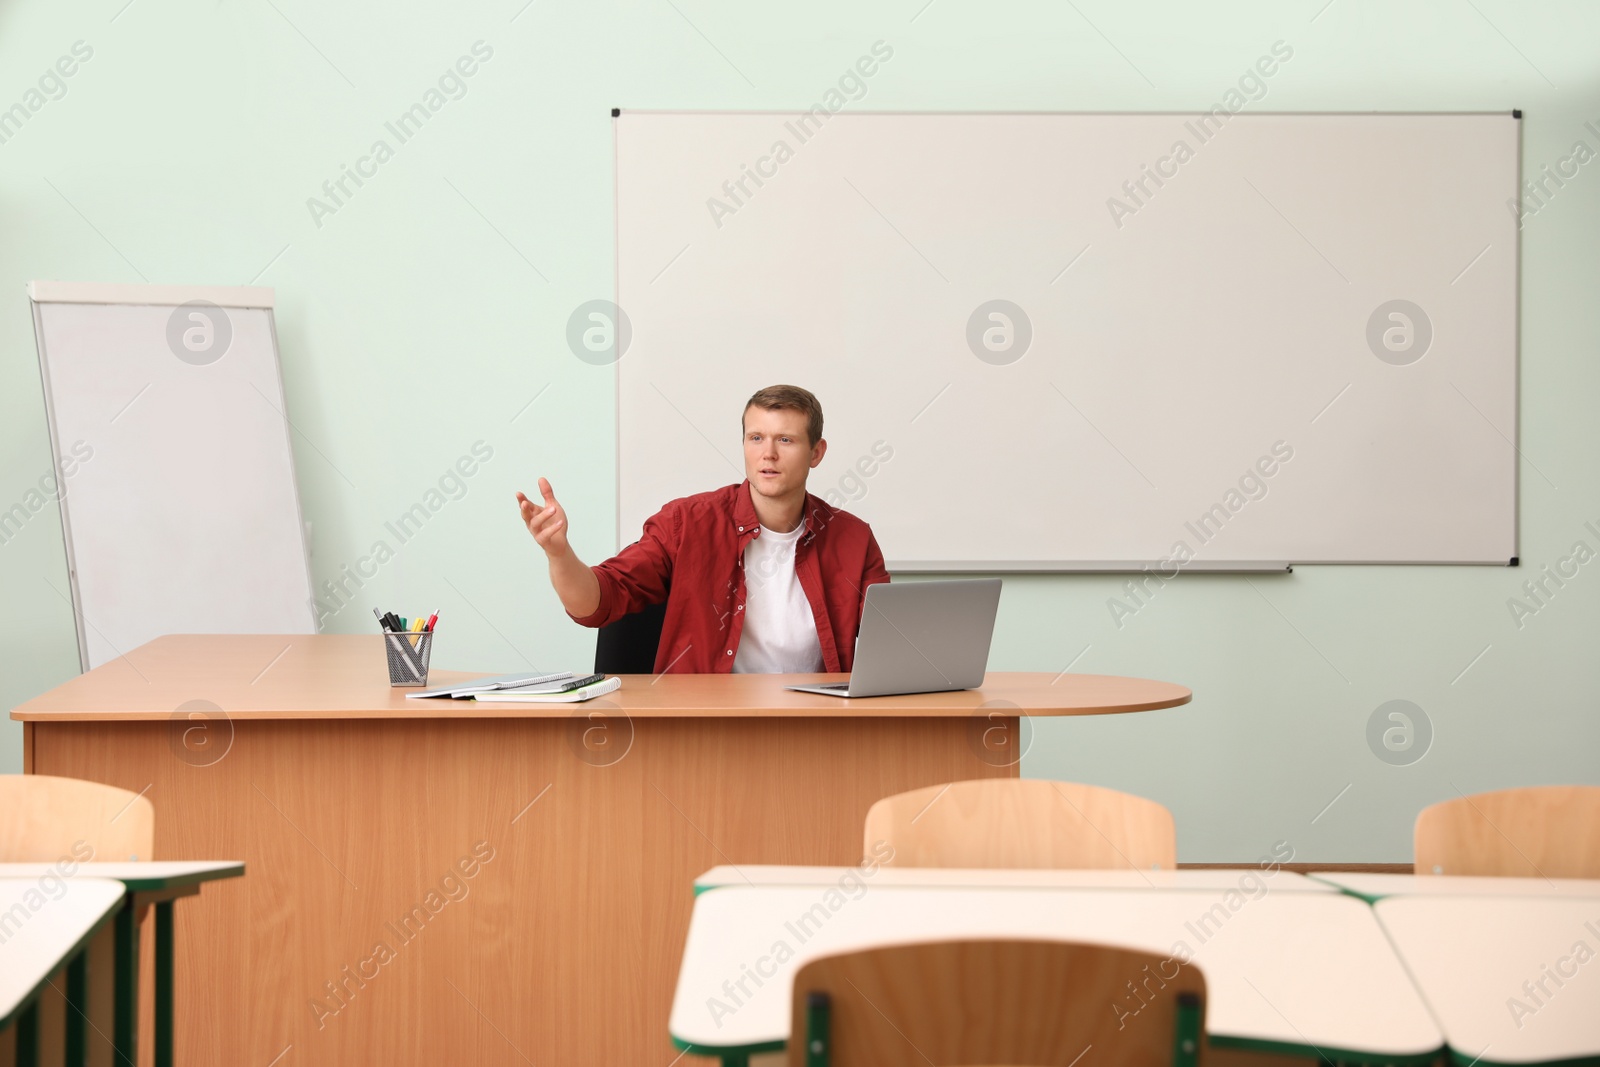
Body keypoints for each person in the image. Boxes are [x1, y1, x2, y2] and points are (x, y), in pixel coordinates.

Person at [516, 384, 889, 674]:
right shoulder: (686, 523)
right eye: (756, 438)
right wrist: (559, 554)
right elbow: (597, 602)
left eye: (785, 440)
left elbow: (893, 646)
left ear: (816, 453)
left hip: (817, 729)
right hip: (708, 727)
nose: (768, 454)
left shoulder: (853, 539)